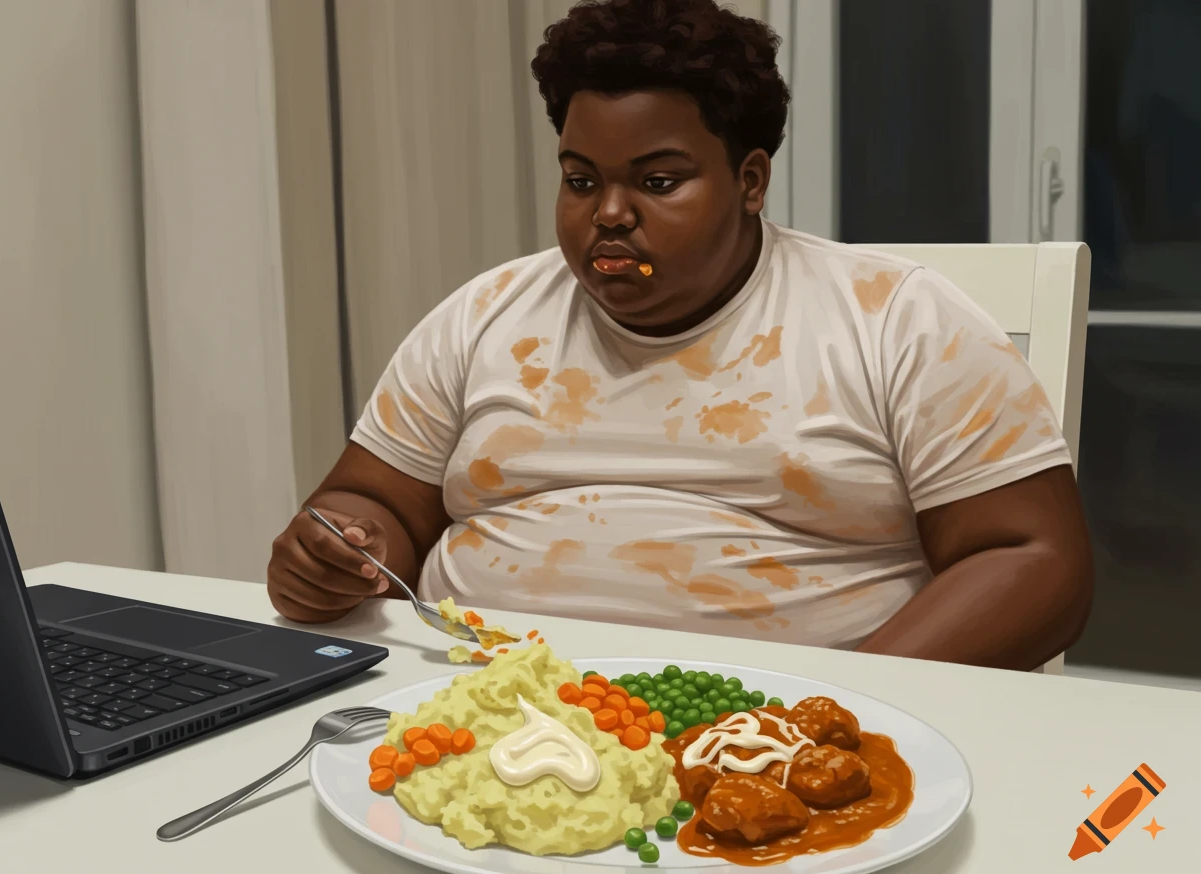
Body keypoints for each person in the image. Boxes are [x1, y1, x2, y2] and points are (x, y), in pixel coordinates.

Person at [267, 0, 1093, 670]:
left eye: (658, 182)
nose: (610, 214)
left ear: (750, 180)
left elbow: (1035, 562)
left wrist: (841, 711)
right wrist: (340, 546)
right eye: (580, 180)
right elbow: (374, 503)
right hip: (474, 708)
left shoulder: (898, 320)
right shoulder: (486, 314)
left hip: (774, 741)